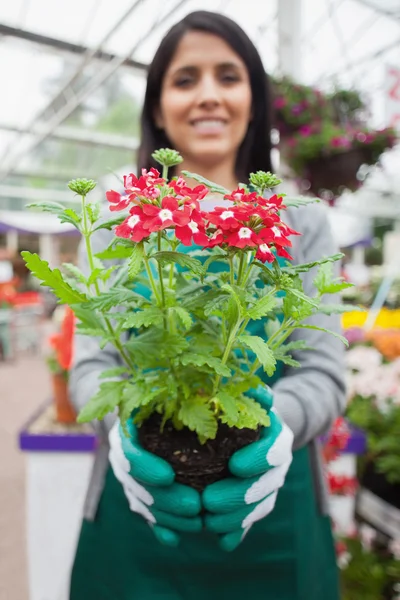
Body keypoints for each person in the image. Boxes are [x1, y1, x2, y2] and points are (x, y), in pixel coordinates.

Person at [69, 10, 346, 599]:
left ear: (254, 99)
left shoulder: (299, 220)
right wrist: (121, 432)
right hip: (138, 517)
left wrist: (277, 430)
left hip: (277, 521)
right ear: (158, 106)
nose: (209, 96)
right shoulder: (120, 218)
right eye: (185, 79)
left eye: (229, 75)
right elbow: (91, 369)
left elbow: (323, 372)